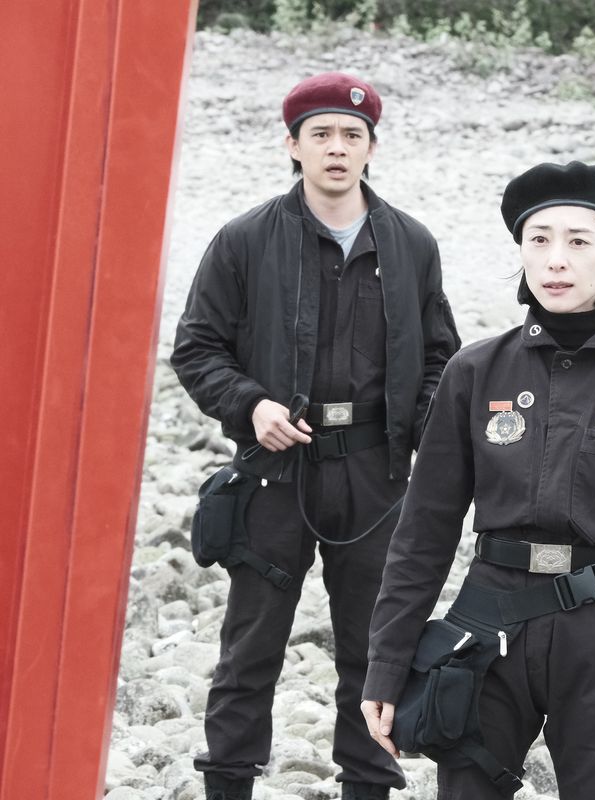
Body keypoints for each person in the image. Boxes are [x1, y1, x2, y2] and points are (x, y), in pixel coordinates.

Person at [360, 161, 595, 800]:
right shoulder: (472, 372)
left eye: (578, 240)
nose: (555, 260)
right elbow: (424, 531)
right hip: (487, 620)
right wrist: (387, 663)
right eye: (539, 239)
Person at [171, 72, 460, 800]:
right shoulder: (244, 240)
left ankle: (369, 785)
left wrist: (419, 439)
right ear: (293, 145)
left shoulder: (412, 244)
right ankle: (227, 785)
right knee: (250, 647)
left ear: (371, 148)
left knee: (376, 649)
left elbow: (441, 358)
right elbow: (197, 347)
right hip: (274, 471)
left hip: (375, 474)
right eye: (321, 134)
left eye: (352, 135)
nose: (337, 147)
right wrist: (251, 407)